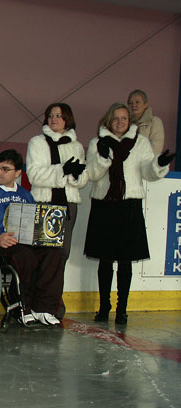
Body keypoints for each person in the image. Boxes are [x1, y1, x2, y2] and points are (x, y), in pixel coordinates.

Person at [84, 103, 173, 324]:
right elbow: (92, 174)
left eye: (124, 118)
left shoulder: (141, 143)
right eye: (116, 118)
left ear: (129, 121)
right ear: (108, 120)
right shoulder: (97, 143)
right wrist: (102, 159)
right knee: (105, 261)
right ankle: (104, 308)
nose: (120, 122)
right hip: (104, 205)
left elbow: (147, 171)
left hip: (129, 206)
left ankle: (122, 309)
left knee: (126, 261)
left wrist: (158, 164)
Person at [0, 149, 64, 326]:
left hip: (24, 244)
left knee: (54, 253)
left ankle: (44, 309)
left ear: (17, 173)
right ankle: (21, 308)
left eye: (5, 169)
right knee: (24, 256)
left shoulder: (25, 195)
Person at [26, 103, 88, 268]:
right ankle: (39, 293)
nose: (53, 119)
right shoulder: (37, 143)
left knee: (62, 254)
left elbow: (82, 181)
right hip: (44, 203)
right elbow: (34, 175)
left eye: (58, 116)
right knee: (42, 254)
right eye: (50, 115)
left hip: (68, 205)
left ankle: (54, 293)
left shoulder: (76, 147)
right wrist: (62, 170)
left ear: (67, 119)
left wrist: (75, 175)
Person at [127, 89, 164, 156]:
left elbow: (156, 149)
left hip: (147, 163)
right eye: (130, 103)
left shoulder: (155, 122)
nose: (133, 105)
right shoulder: (124, 123)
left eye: (137, 102)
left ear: (145, 104)